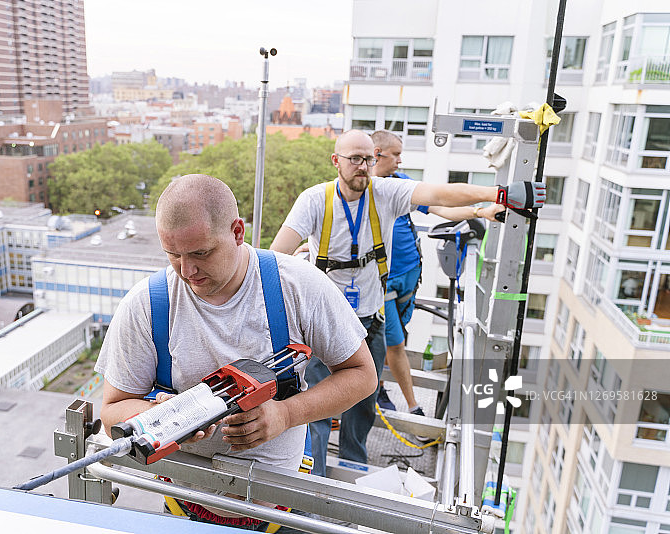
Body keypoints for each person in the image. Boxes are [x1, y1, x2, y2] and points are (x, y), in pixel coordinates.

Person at [95, 174, 377, 529]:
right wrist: (157, 414)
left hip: (284, 510)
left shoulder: (298, 286)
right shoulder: (148, 306)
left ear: (238, 232)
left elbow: (362, 375)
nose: (187, 270)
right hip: (187, 508)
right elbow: (113, 409)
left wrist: (285, 415)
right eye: (173, 255)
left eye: (201, 253)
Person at [270, 130, 545, 473]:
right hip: (323, 323)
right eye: (355, 159)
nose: (362, 167)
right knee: (316, 405)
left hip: (368, 320)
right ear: (336, 161)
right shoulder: (314, 200)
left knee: (363, 400)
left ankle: (355, 469)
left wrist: (498, 195)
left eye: (368, 159)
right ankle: (314, 480)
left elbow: (439, 193)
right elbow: (276, 255)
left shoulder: (385, 192)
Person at [370, 130, 502, 418]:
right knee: (395, 343)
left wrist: (480, 212)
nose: (400, 160)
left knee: (391, 338)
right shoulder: (367, 190)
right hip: (383, 282)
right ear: (377, 153)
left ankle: (378, 384)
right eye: (396, 154)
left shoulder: (402, 184)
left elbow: (442, 205)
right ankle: (413, 405)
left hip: (407, 276)